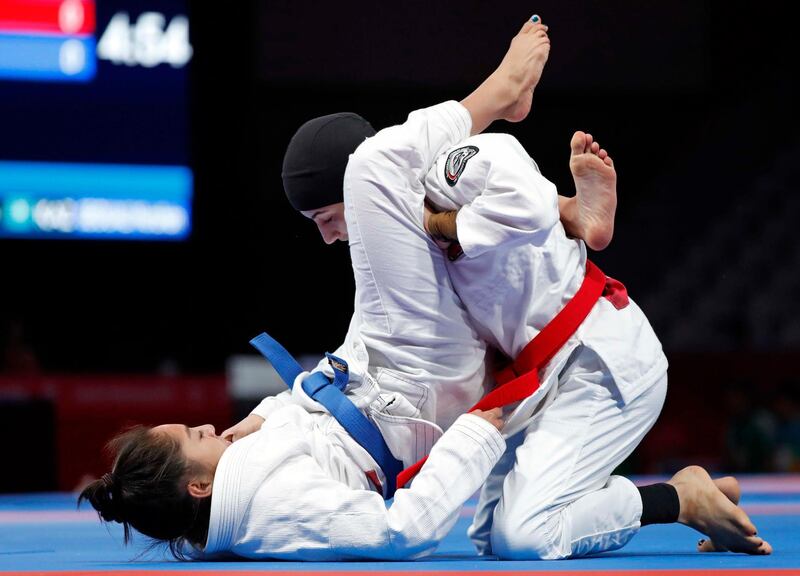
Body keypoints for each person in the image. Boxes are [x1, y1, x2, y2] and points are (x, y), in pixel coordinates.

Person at [261, 14, 772, 558]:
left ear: (354, 183)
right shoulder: (397, 253)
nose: (328, 236)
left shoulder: (447, 171)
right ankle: (573, 213)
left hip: (596, 358)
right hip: (533, 379)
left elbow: (520, 198)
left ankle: (682, 499)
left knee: (526, 536)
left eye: (325, 217)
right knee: (488, 539)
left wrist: (447, 227)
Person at [77, 16, 547, 561]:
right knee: (370, 167)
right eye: (193, 435)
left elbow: (310, 432)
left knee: (401, 193)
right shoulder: (271, 506)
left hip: (380, 374)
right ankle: (500, 95)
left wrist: (270, 414)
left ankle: (561, 207)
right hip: (417, 384)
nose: (208, 425)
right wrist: (476, 436)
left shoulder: (235, 476)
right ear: (197, 487)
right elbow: (400, 532)